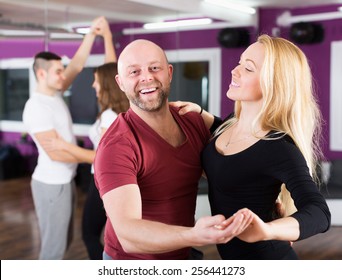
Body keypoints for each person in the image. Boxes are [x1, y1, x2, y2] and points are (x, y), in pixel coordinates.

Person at [172, 34, 331, 259]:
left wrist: (268, 230)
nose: (234, 71)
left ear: (273, 83)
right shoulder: (228, 123)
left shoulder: (278, 147)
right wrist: (202, 114)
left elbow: (319, 213)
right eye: (239, 62)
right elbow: (234, 153)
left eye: (248, 68)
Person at [93, 39, 254, 260]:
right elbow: (128, 235)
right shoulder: (117, 145)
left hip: (183, 253)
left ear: (169, 73)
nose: (147, 77)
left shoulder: (192, 121)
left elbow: (223, 175)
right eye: (134, 72)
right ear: (121, 83)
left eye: (154, 68)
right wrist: (195, 235)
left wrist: (268, 209)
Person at [22, 16, 114, 260]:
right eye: (58, 72)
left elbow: (76, 65)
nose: (64, 75)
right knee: (54, 248)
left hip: (65, 180)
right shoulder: (37, 106)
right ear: (42, 74)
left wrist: (92, 35)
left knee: (65, 242)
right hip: (51, 183)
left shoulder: (55, 95)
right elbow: (56, 152)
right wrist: (99, 157)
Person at [42, 62, 129, 259]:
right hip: (112, 182)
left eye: (96, 81)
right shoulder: (120, 112)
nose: (93, 86)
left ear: (106, 84)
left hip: (101, 182)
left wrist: (64, 146)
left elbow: (102, 158)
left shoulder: (108, 116)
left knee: (89, 234)